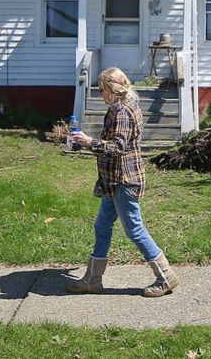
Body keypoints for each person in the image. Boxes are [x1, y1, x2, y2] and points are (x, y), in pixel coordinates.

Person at [66, 67, 179, 297]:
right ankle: (93, 280)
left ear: (112, 89)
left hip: (124, 180)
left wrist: (88, 142)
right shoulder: (122, 106)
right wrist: (88, 141)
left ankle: (166, 276)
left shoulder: (122, 112)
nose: (100, 94)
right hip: (113, 181)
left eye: (102, 89)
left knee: (134, 229)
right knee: (102, 226)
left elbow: (117, 147)